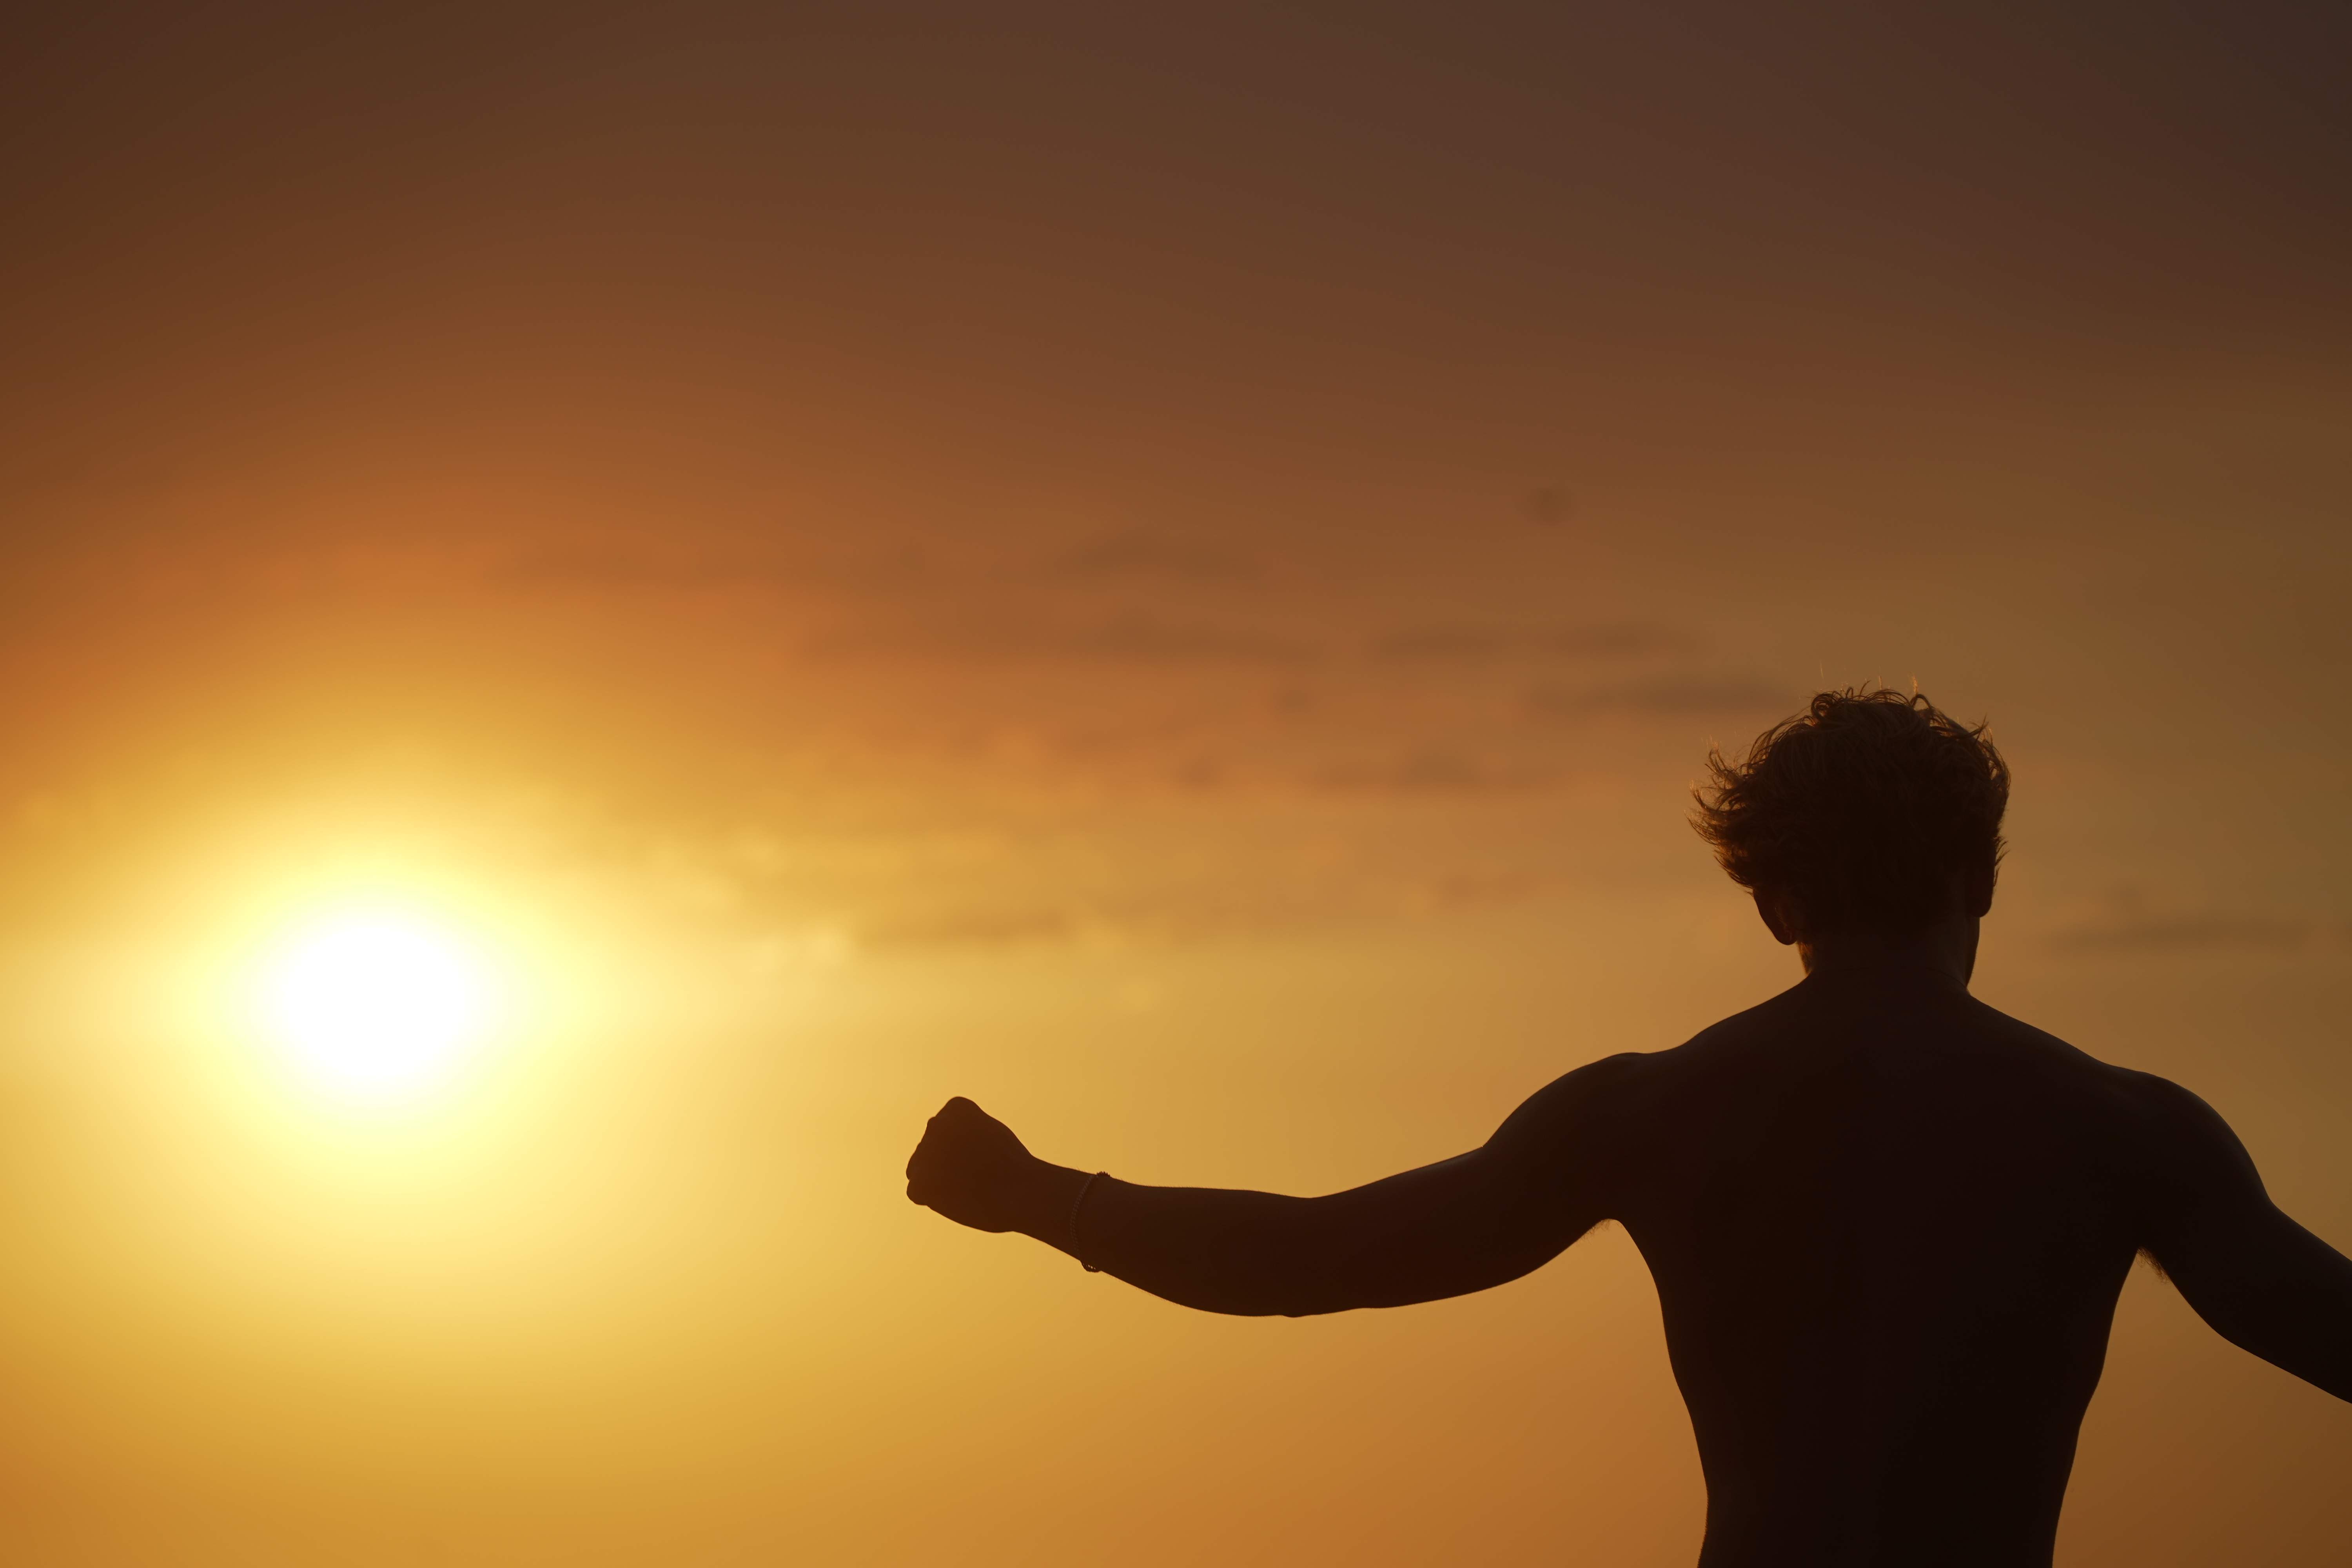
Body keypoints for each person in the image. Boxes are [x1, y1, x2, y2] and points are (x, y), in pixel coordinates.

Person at [904, 688, 2352, 1566]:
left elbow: (1315, 1257)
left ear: (1771, 902)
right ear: (1982, 878)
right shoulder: (2120, 1131)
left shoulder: (1650, 1114)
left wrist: (1040, 1194)